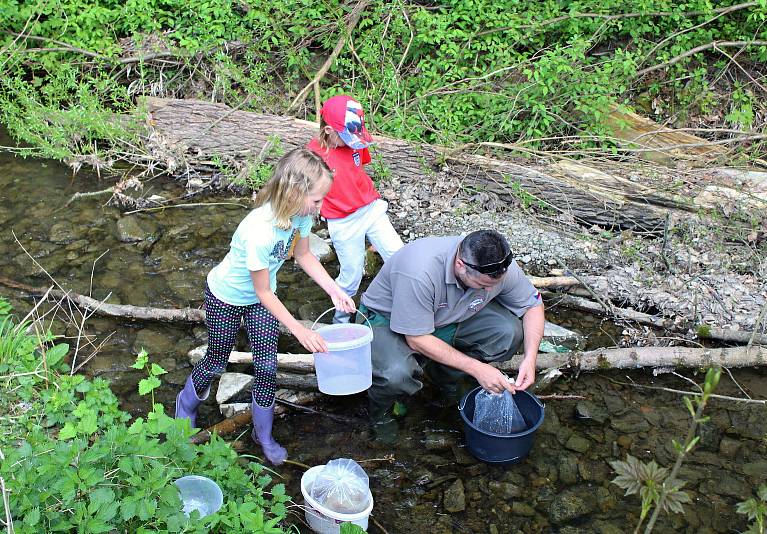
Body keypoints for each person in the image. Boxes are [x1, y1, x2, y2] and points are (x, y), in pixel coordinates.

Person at [175, 147, 356, 465]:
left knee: (267, 367)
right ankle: (186, 405)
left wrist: (334, 290)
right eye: (317, 200)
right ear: (295, 191)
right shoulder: (258, 230)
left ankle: (263, 433)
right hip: (227, 297)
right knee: (217, 361)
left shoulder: (300, 216)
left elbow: (303, 255)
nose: (321, 207)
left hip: (261, 299)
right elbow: (263, 293)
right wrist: (299, 329)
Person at [358, 230, 545, 433]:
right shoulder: (420, 270)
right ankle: (381, 416)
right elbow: (416, 338)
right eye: (483, 285)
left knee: (508, 332)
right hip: (388, 319)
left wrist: (530, 358)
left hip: (449, 315)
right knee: (396, 374)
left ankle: (444, 377)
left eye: (496, 285)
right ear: (460, 265)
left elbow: (533, 305)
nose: (490, 291)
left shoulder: (498, 265)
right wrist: (477, 368)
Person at [307, 94, 403, 323]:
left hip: (371, 209)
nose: (353, 143)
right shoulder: (312, 155)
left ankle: (401, 309)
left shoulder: (355, 142)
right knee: (350, 277)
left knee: (400, 258)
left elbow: (357, 170)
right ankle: (340, 323)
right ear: (329, 130)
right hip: (343, 221)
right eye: (347, 138)